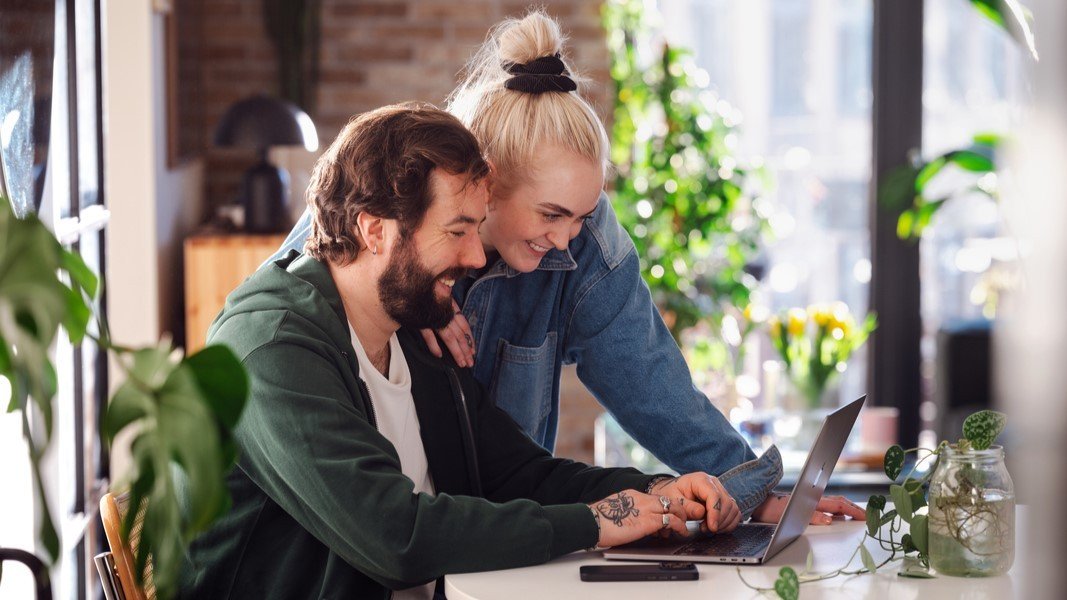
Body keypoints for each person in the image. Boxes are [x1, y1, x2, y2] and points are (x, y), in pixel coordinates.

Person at [271, 11, 862, 526]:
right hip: (389, 534)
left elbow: (654, 383)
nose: (566, 242)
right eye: (552, 215)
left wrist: (749, 490)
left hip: (510, 537)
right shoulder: (399, 195)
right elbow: (296, 290)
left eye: (583, 214)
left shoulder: (586, 244)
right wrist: (407, 299)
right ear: (488, 179)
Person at [180, 103, 774, 600]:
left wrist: (657, 497)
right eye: (457, 230)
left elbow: (517, 473)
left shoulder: (417, 329)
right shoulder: (271, 349)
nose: (474, 258)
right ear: (374, 229)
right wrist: (598, 522)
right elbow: (396, 536)